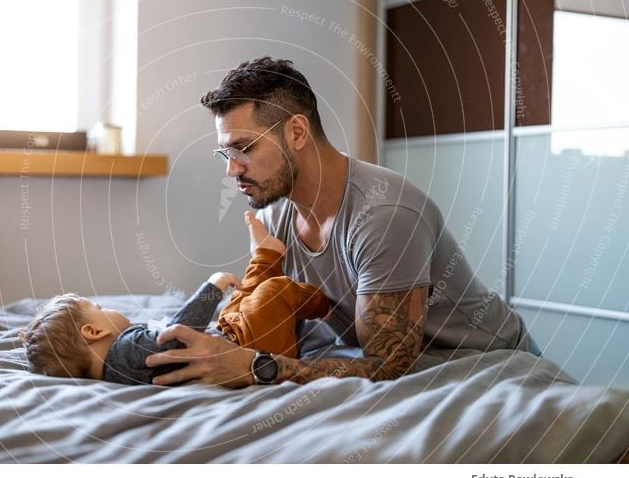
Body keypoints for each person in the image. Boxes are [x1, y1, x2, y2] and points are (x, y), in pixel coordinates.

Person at [144, 56, 538, 388]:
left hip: (489, 364)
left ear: (296, 132)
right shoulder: (275, 215)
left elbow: (388, 365)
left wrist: (255, 368)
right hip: (423, 362)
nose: (232, 171)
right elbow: (265, 316)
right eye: (224, 154)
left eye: (244, 149)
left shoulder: (383, 216)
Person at [21, 212, 330, 385]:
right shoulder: (126, 350)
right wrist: (212, 286)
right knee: (269, 294)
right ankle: (328, 305)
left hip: (230, 341)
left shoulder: (115, 371)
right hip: (249, 353)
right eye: (98, 308)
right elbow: (180, 330)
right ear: (93, 332)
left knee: (242, 302)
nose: (106, 308)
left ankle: (267, 255)